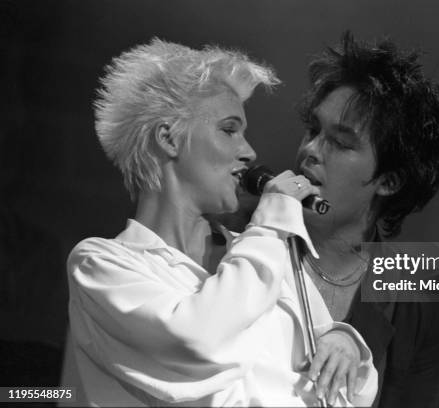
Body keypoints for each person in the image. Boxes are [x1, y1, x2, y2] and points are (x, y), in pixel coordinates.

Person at [63, 38, 377, 407]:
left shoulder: (264, 255)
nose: (249, 152)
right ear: (169, 138)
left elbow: (355, 390)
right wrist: (273, 223)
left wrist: (346, 344)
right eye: (229, 130)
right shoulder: (101, 266)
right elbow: (198, 343)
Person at [294, 33, 439, 407]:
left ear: (390, 181)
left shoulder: (424, 300)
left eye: (340, 143)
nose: (310, 150)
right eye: (313, 130)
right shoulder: (236, 242)